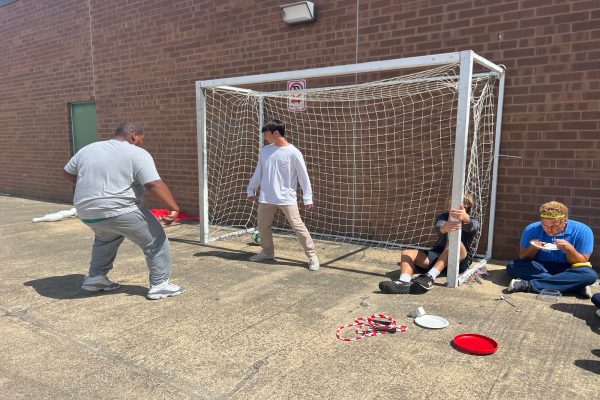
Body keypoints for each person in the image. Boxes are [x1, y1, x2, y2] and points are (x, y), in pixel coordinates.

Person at [63, 122, 186, 300]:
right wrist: (174, 207)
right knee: (156, 240)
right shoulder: (136, 153)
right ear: (134, 136)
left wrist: (91, 189)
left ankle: (96, 277)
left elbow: (67, 172)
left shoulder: (88, 149)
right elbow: (153, 184)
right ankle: (160, 285)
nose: (142, 142)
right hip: (120, 208)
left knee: (106, 238)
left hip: (86, 211)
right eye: (142, 139)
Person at [247, 119, 319, 271]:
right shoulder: (265, 151)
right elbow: (258, 171)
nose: (264, 137)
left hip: (287, 198)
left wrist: (308, 198)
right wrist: (251, 189)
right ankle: (267, 252)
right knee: (263, 226)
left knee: (298, 226)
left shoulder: (294, 153)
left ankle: (312, 256)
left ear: (276, 133)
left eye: (266, 134)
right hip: (266, 197)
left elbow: (303, 176)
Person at [379, 193, 480, 294]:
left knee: (453, 242)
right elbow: (440, 229)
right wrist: (447, 226)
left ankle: (429, 277)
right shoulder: (442, 217)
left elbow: (473, 227)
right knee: (406, 253)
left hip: (460, 260)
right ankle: (403, 282)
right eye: (451, 204)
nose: (452, 207)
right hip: (438, 255)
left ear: (466, 207)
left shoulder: (472, 220)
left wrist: (466, 219)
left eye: (458, 205)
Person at [506, 201, 596, 298]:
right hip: (540, 267)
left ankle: (528, 286)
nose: (549, 230)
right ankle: (574, 286)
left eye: (554, 226)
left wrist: (570, 249)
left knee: (589, 275)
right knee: (512, 266)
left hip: (568, 268)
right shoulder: (531, 229)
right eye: (545, 225)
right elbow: (523, 256)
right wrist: (533, 248)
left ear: (565, 220)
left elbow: (583, 261)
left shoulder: (583, 231)